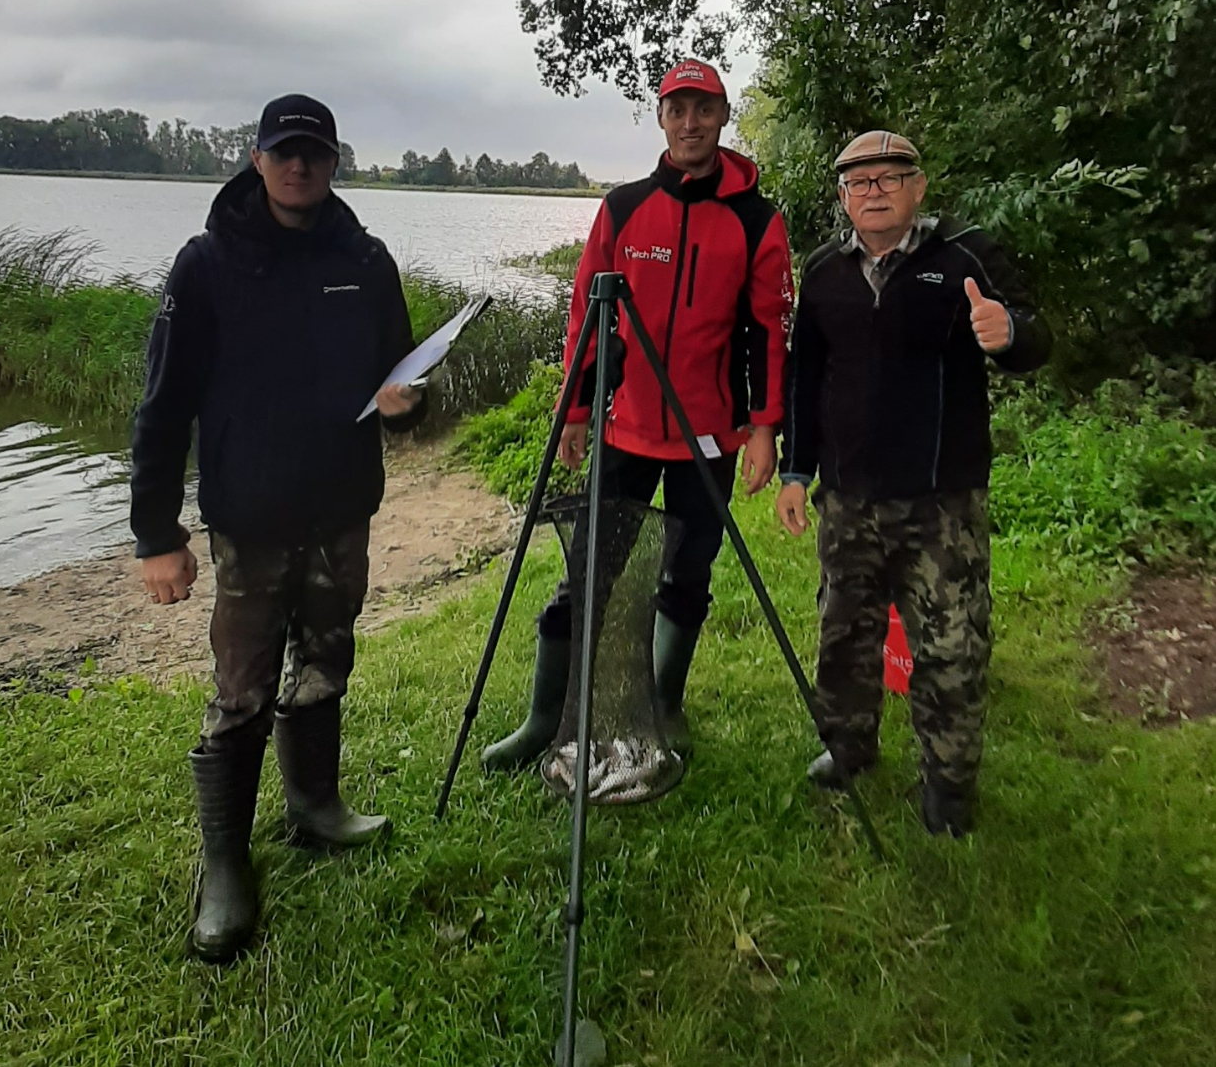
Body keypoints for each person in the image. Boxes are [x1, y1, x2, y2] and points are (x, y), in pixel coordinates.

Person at [130, 93, 426, 962]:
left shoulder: (367, 261)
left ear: (335, 162)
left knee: (326, 662)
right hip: (250, 519)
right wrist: (157, 533)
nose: (300, 166)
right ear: (256, 159)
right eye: (283, 152)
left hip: (342, 509)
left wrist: (404, 407)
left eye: (315, 153)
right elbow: (161, 408)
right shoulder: (206, 264)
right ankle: (225, 865)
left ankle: (315, 806)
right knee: (242, 691)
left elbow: (398, 382)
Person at [481, 59, 794, 770]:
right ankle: (545, 718)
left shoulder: (756, 219)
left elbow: (770, 332)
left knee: (687, 575)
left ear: (722, 116)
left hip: (708, 435)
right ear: (660, 118)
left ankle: (663, 701)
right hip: (625, 429)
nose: (690, 122)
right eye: (677, 109)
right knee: (587, 572)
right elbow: (586, 319)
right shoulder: (622, 208)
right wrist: (575, 409)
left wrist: (765, 428)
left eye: (704, 109)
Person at [776, 130, 1052, 836]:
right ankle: (847, 748)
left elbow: (1036, 334)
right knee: (845, 636)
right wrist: (797, 472)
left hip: (941, 501)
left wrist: (1008, 331)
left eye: (889, 178)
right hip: (848, 498)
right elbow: (804, 377)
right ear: (842, 196)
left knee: (951, 647)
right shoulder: (824, 271)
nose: (873, 191)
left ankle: (950, 787)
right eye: (858, 181)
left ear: (918, 187)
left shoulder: (964, 255)